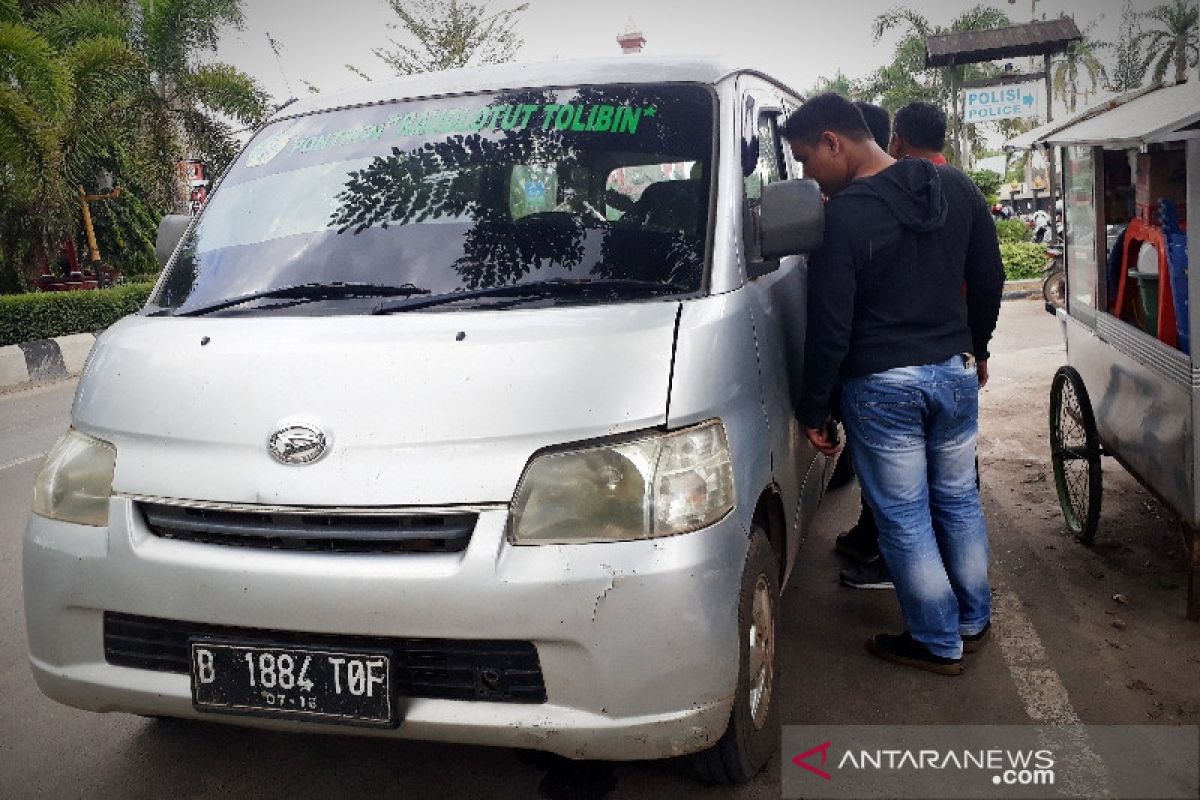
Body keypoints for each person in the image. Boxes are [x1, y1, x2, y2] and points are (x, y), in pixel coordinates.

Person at [784, 93, 1004, 676]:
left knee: (904, 518)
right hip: (953, 374)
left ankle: (936, 640)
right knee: (958, 501)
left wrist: (816, 407)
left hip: (883, 388)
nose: (807, 174)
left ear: (834, 141)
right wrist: (977, 348)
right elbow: (989, 276)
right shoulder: (957, 188)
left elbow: (831, 325)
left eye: (807, 158)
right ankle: (973, 619)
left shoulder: (844, 217)